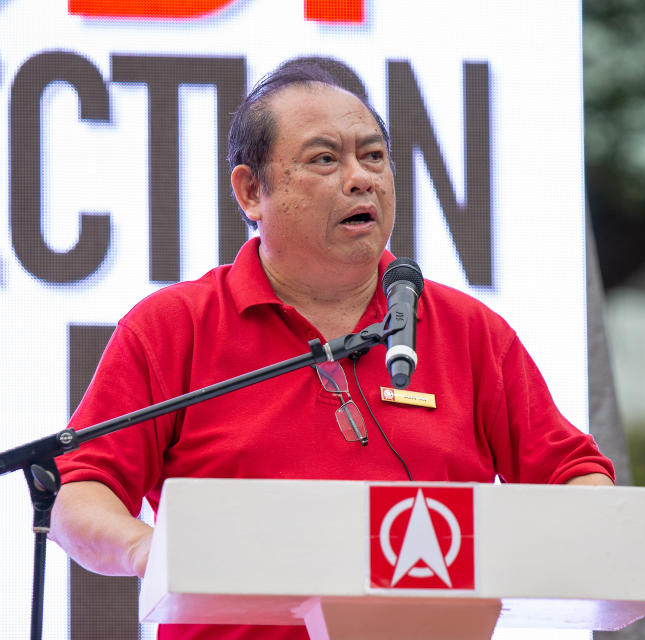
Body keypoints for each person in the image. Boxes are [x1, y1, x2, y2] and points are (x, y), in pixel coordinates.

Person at [49, 58, 615, 640]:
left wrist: (587, 530)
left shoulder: (469, 332)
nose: (361, 178)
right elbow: (82, 493)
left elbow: (574, 475)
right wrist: (155, 552)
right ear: (251, 191)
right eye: (325, 159)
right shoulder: (173, 328)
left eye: (373, 156)